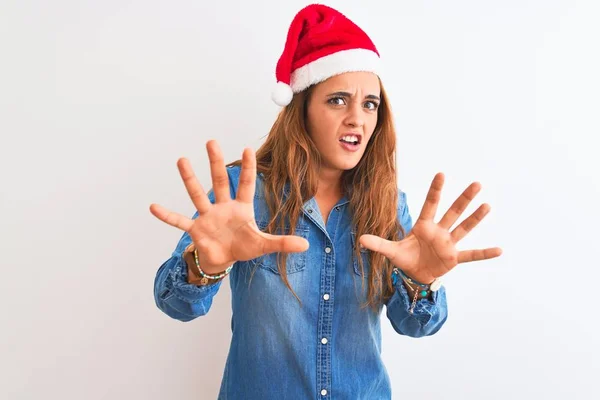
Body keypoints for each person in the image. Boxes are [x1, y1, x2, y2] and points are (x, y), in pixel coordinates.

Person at [150, 4, 502, 399]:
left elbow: (417, 325)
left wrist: (422, 283)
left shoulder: (388, 204)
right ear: (302, 110)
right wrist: (203, 265)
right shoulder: (243, 195)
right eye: (337, 100)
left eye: (370, 104)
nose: (357, 118)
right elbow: (175, 304)